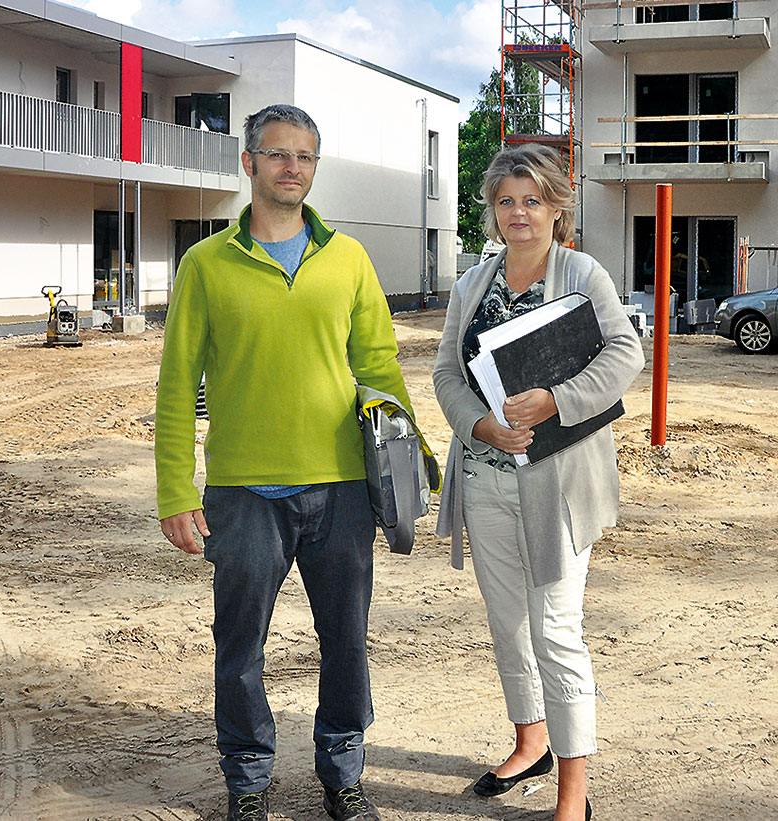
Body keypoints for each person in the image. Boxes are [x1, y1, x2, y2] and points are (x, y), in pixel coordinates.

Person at [155, 104, 413, 821]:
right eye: (276, 154)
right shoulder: (206, 265)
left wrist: (408, 467)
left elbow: (381, 370)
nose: (290, 167)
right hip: (244, 494)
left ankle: (343, 771)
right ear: (248, 163)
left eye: (304, 156)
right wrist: (177, 489)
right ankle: (247, 780)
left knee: (346, 645)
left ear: (313, 167)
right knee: (239, 648)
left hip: (342, 490)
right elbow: (177, 384)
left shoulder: (349, 259)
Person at [433, 144, 644, 821]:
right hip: (485, 480)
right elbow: (444, 374)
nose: (519, 212)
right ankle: (531, 742)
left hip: (555, 486)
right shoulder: (473, 284)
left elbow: (624, 353)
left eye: (532, 199)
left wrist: (557, 398)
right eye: (506, 200)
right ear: (493, 212)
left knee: (555, 629)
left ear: (556, 206)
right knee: (507, 622)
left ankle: (573, 796)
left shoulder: (582, 273)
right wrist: (479, 426)